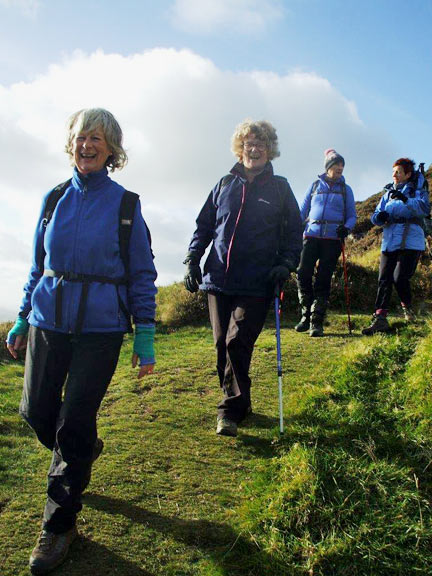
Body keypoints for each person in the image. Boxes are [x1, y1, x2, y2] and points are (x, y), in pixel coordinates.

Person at [6, 108, 157, 575]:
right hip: (48, 322)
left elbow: (142, 273)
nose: (86, 145)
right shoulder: (53, 199)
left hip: (101, 329)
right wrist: (21, 318)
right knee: (35, 412)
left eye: (96, 138)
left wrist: (145, 334)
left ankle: (58, 527)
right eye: (79, 137)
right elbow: (38, 265)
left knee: (73, 424)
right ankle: (83, 449)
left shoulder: (126, 205)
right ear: (70, 144)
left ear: (112, 148)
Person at [183, 119, 302, 437]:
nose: (255, 148)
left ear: (270, 150)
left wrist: (287, 263)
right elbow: (204, 226)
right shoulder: (224, 184)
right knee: (222, 344)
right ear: (241, 147)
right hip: (218, 279)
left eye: (262, 144)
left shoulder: (280, 188)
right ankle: (240, 400)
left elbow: (295, 233)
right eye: (250, 142)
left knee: (238, 342)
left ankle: (229, 411)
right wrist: (193, 259)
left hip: (258, 282)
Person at [362, 158, 430, 335]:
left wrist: (405, 199)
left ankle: (408, 308)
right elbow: (375, 215)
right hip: (390, 240)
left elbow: (423, 208)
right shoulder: (388, 193)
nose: (394, 175)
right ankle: (380, 319)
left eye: (398, 172)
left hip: (411, 241)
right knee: (384, 279)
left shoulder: (417, 190)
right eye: (393, 172)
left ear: (408, 174)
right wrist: (380, 217)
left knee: (400, 278)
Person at [295, 149, 356, 337]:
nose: (340, 168)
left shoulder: (346, 190)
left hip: (332, 239)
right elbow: (302, 210)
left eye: (342, 166)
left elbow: (352, 215)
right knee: (303, 273)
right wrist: (295, 227)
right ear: (328, 167)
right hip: (311, 236)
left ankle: (317, 322)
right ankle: (306, 315)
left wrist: (346, 228)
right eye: (337, 165)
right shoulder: (314, 186)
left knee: (323, 278)